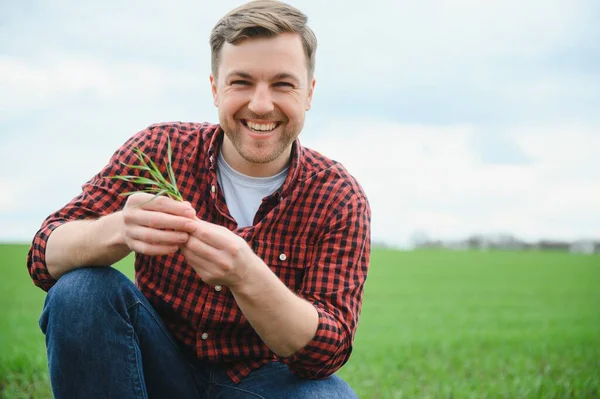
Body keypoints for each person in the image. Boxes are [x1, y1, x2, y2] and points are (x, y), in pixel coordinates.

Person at [26, 1, 371, 398]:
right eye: (241, 82)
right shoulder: (160, 149)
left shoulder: (337, 195)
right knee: (80, 291)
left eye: (282, 84)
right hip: (153, 364)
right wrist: (119, 228)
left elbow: (326, 352)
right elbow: (42, 256)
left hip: (259, 381)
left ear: (308, 93)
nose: (261, 104)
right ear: (214, 88)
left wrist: (246, 275)